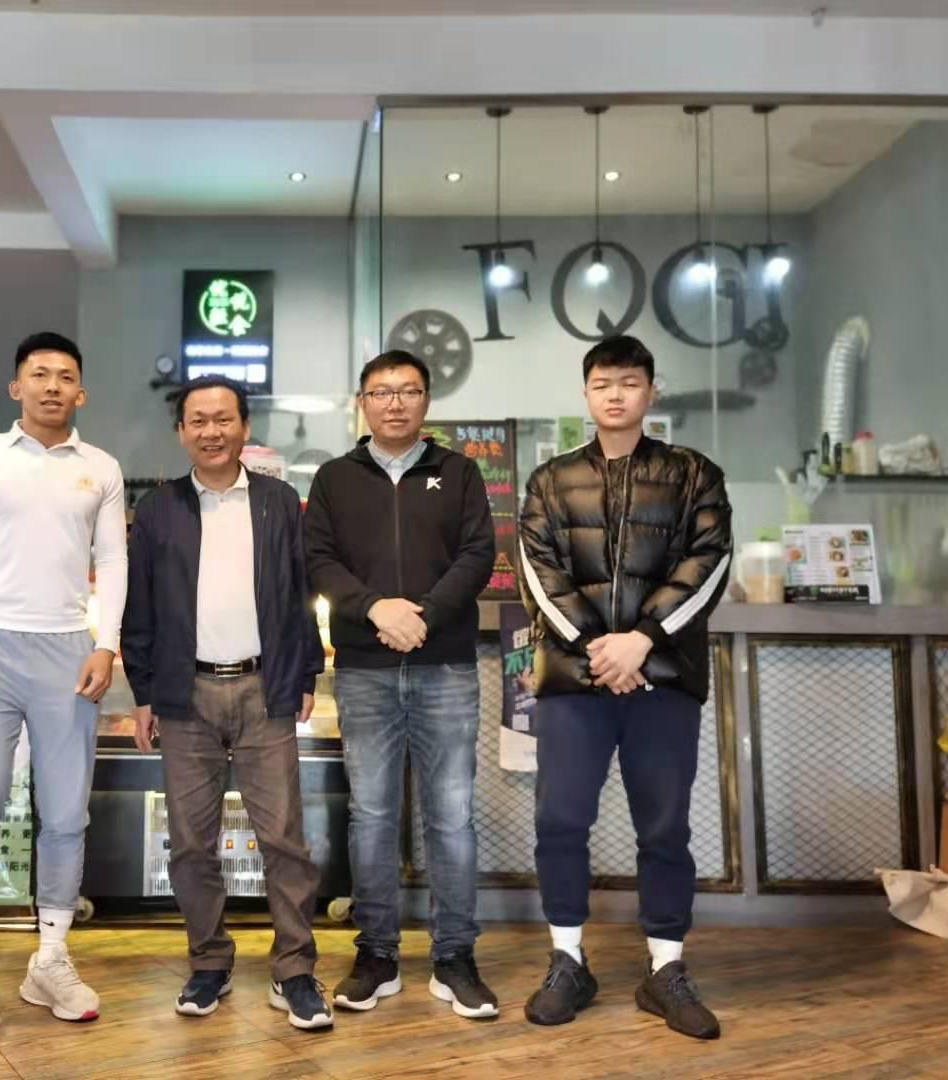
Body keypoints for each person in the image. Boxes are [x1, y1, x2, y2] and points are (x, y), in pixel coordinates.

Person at [518, 334, 731, 1041]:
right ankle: (567, 961)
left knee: (664, 827)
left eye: (630, 382)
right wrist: (599, 647)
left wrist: (642, 639)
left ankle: (665, 968)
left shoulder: (695, 474)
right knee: (560, 821)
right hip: (573, 683)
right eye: (603, 383)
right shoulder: (550, 480)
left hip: (662, 679)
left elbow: (708, 561)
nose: (616, 395)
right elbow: (538, 573)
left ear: (651, 391)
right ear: (586, 393)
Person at [121, 376, 332, 1032]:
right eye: (198, 420)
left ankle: (294, 968)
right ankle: (209, 960)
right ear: (181, 431)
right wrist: (144, 693)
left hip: (265, 690)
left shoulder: (277, 501)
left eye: (223, 419)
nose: (211, 432)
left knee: (285, 840)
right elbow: (139, 607)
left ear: (244, 427)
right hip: (184, 695)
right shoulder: (158, 510)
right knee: (191, 844)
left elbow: (300, 595)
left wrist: (306, 672)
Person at [0, 331, 127, 1039]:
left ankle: (49, 960)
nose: (52, 386)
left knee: (67, 816)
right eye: (39, 374)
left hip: (68, 653)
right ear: (16, 387)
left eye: (65, 376)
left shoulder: (101, 467)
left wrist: (105, 643)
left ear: (82, 392)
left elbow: (114, 560)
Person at [304, 350, 498, 1021]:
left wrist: (424, 615)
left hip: (445, 664)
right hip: (364, 666)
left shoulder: (459, 471)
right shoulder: (335, 477)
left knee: (452, 815)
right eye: (382, 392)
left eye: (408, 391)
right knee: (372, 815)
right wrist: (374, 610)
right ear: (362, 401)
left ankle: (455, 956)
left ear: (426, 401)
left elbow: (478, 554)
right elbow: (318, 558)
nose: (395, 402)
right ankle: (377, 954)